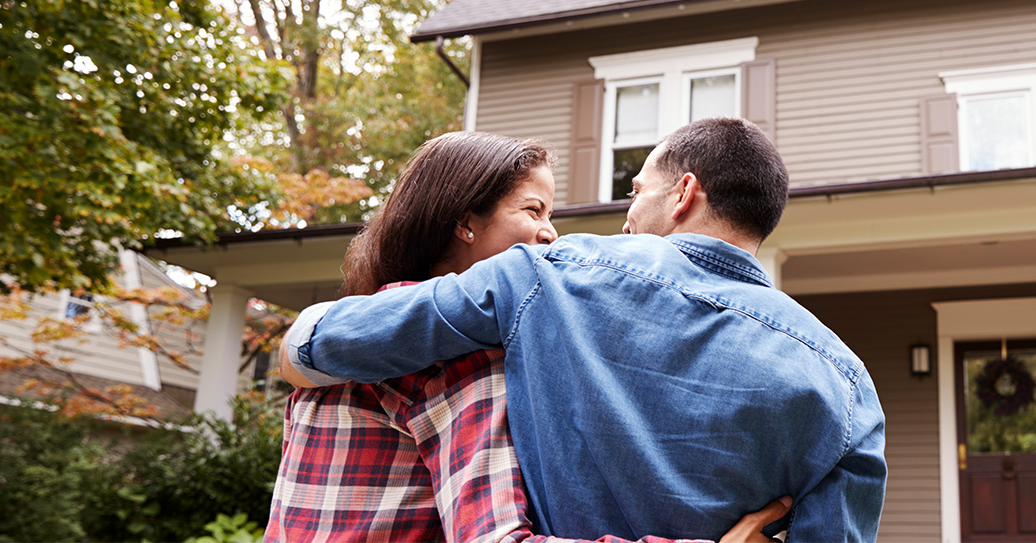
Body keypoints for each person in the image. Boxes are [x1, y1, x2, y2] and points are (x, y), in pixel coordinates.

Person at [281, 118, 887, 541]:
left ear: (683, 194)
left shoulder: (547, 278)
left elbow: (339, 337)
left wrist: (299, 343)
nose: (626, 217)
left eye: (636, 191)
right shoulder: (849, 384)